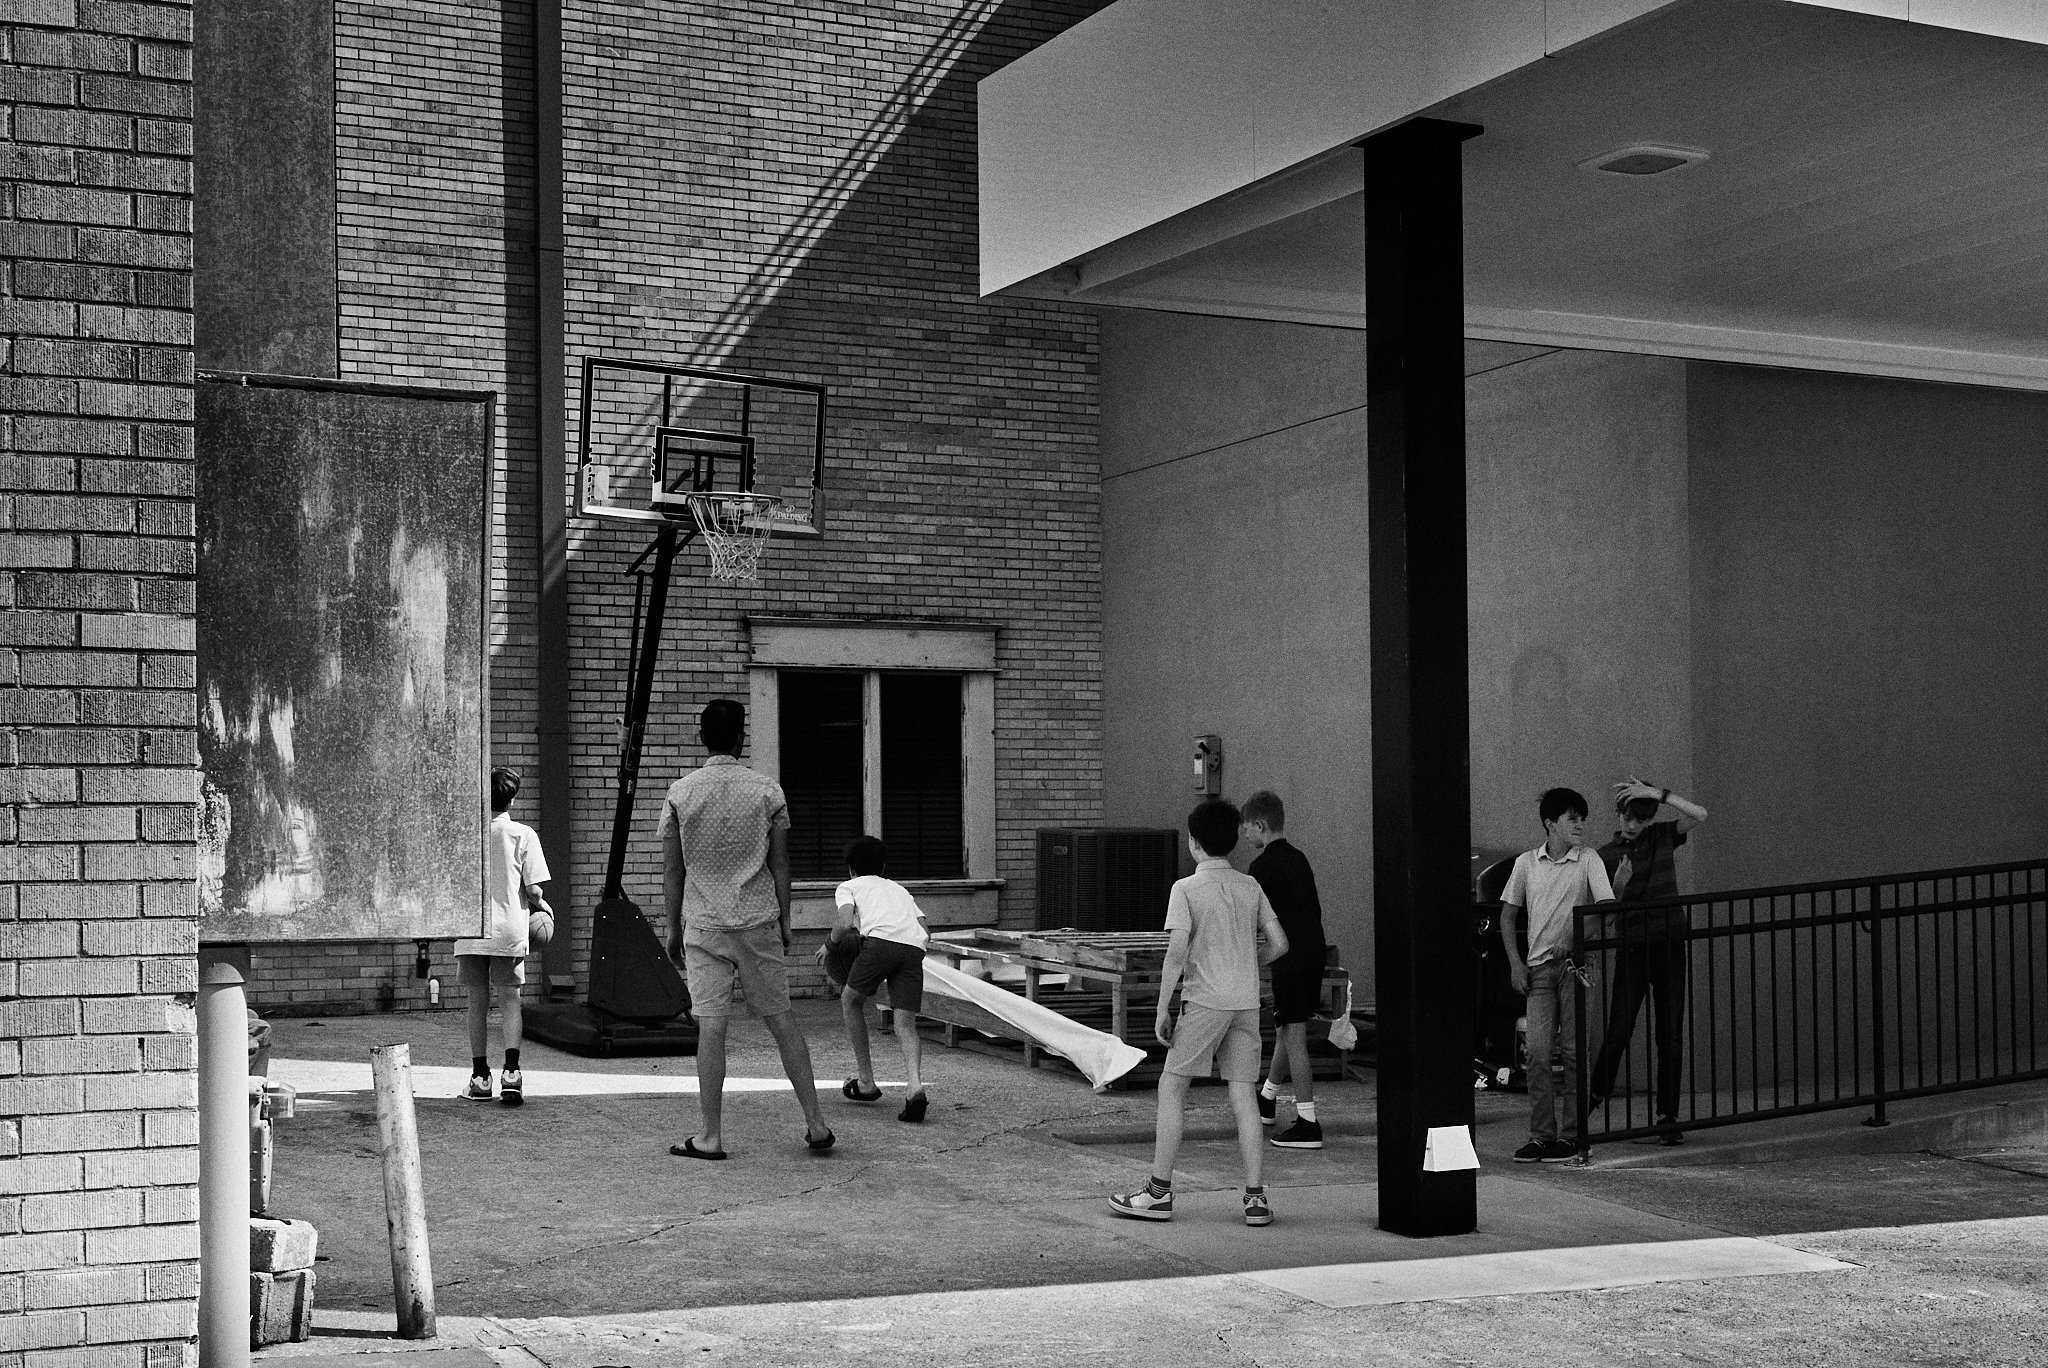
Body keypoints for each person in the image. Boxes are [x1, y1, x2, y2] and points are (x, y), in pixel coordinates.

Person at [661, 698, 833, 1160]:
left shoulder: (681, 793)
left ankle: (711, 1135)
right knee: (781, 1020)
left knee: (711, 1028)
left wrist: (673, 927)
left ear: (702, 738)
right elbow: (781, 862)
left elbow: (674, 872)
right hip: (758, 921)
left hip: (705, 926)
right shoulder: (767, 791)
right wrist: (785, 918)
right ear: (741, 738)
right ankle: (816, 1124)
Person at [1110, 799, 1290, 1227]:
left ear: (1193, 843)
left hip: (1205, 1001)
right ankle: (1255, 1199)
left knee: (1172, 1087)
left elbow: (1176, 954)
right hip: (1245, 1002)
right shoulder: (1251, 887)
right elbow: (1280, 944)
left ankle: (1157, 1192)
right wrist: (1246, 962)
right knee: (1244, 1096)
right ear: (1233, 842)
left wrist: (1161, 1006)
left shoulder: (1185, 889)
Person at [1499, 786, 1617, 1163]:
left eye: (1582, 818)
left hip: (1576, 967)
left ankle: (1572, 1134)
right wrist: (1516, 964)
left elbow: (1605, 908)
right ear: (1550, 824)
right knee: (1536, 1052)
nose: (1580, 825)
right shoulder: (1526, 864)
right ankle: (1541, 1135)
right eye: (1572, 818)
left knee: (1574, 1051)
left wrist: (1581, 941)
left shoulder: (1589, 861)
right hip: (1538, 968)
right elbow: (1507, 915)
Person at [1590, 778, 1709, 1145]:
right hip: (1633, 949)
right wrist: (1620, 885)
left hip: (1670, 944)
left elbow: (1701, 815)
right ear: (1619, 815)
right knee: (1618, 1031)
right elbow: (1606, 913)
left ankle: (1667, 1115)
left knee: (1670, 1034)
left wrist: (1658, 795)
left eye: (1639, 819)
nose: (1632, 825)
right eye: (1628, 817)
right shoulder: (1604, 855)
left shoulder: (1661, 836)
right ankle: (1592, 1100)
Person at [816, 835, 932, 1122]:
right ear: (883, 867)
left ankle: (866, 1082)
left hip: (880, 943)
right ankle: (915, 1086)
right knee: (905, 1024)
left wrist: (829, 946)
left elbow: (844, 922)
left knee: (850, 1001)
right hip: (914, 948)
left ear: (851, 869)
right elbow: (925, 930)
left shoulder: (849, 886)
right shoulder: (899, 889)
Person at [455, 766, 552, 1107]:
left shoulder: (465, 833)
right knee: (510, 1000)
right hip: (509, 926)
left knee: (476, 1003)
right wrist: (546, 909)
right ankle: (512, 1074)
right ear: (512, 798)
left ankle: (480, 1078)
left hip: (470, 926)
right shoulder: (523, 834)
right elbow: (533, 889)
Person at [1240, 790, 1329, 1150]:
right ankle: (1267, 1098)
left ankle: (1308, 1121)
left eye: (1247, 829)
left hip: (1288, 958)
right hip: (1312, 953)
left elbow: (1251, 921)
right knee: (1286, 1026)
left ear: (1260, 826)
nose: (1245, 837)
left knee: (1294, 1035)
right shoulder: (1299, 858)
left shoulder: (1261, 869)